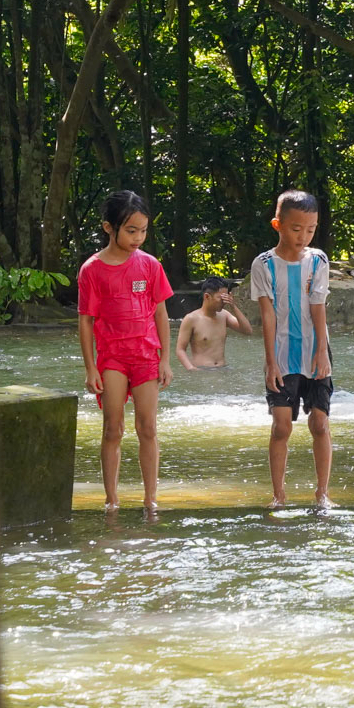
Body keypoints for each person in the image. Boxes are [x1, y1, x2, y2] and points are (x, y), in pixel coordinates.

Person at [77, 190, 174, 513]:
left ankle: (150, 499)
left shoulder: (149, 266)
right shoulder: (92, 270)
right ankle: (112, 500)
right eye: (131, 230)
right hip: (112, 358)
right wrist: (91, 367)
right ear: (109, 227)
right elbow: (86, 322)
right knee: (113, 427)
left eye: (143, 231)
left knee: (148, 427)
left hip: (146, 356)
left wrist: (165, 359)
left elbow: (160, 313)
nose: (138, 238)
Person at [251, 190, 334, 507]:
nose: (303, 236)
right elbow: (267, 314)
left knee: (319, 423)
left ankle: (322, 493)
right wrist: (271, 363)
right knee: (281, 426)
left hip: (316, 353)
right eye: (296, 228)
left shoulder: (318, 260)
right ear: (278, 225)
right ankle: (279, 495)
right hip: (282, 355)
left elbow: (318, 306)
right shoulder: (264, 264)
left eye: (310, 229)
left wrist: (322, 353)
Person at [176, 277, 253, 369]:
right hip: (202, 370)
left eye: (226, 297)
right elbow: (180, 350)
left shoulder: (224, 316)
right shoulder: (191, 319)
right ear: (207, 296)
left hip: (222, 369)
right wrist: (191, 369)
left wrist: (233, 306)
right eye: (221, 298)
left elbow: (248, 331)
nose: (224, 301)